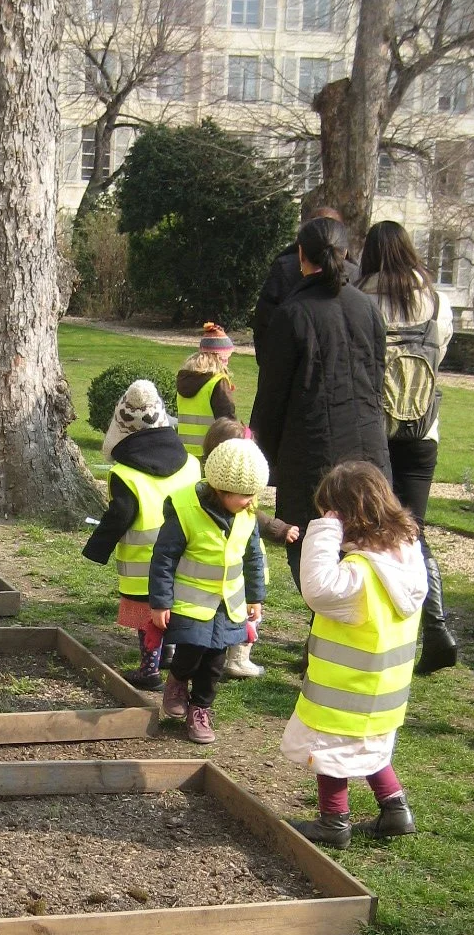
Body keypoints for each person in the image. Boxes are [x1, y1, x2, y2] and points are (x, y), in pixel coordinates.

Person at [283, 461, 427, 849]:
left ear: (343, 516)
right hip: (385, 693)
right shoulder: (406, 557)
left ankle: (333, 821)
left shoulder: (360, 575)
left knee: (332, 752)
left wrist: (326, 529)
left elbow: (316, 589)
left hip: (345, 693)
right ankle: (395, 808)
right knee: (369, 746)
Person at [249, 216, 389, 587]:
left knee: (318, 560)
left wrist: (261, 457)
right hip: (367, 449)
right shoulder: (367, 310)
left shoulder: (293, 314)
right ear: (345, 254)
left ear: (300, 256)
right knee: (363, 549)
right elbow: (377, 382)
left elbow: (272, 397)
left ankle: (331, 637)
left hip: (313, 455)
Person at [357, 220, 457, 675]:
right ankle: (435, 628)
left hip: (373, 429)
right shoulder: (437, 301)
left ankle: (357, 624)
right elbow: (440, 354)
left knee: (362, 525)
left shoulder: (360, 298)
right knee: (413, 528)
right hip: (422, 430)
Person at [148, 437, 269, 744]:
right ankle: (176, 681)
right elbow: (164, 558)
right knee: (191, 652)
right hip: (191, 604)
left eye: (253, 494)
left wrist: (255, 596)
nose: (249, 501)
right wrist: (160, 602)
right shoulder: (185, 510)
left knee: (215, 662)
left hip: (228, 605)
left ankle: (200, 709)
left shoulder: (248, 514)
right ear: (219, 489)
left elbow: (253, 556)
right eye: (242, 495)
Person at [83, 380, 200, 690]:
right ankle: (169, 655)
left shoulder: (125, 473)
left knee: (148, 616)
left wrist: (97, 548)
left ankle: (149, 669)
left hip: (143, 562)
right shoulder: (191, 465)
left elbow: (120, 514)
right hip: (187, 555)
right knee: (170, 607)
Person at [202, 418, 301, 679]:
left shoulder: (241, 490)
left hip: (248, 563)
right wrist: (278, 529)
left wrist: (279, 529)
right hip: (234, 566)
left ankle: (239, 657)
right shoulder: (217, 493)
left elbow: (257, 515)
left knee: (248, 610)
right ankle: (230, 658)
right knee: (235, 610)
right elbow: (257, 517)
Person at [252, 205, 360, 362]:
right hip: (317, 361)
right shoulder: (285, 268)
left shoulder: (355, 274)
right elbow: (266, 318)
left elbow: (264, 320)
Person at [174, 323, 239, 461]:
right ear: (220, 357)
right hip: (211, 449)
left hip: (185, 451)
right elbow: (227, 419)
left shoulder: (185, 378)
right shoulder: (217, 382)